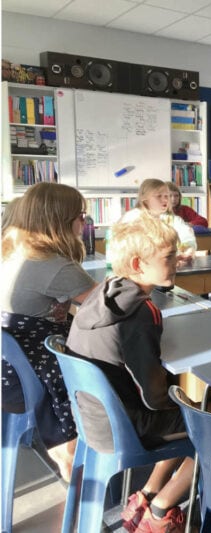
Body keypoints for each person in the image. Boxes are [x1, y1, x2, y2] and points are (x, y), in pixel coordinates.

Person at [66, 215, 195, 533]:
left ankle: (147, 494)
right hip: (122, 426)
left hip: (91, 418)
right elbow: (153, 396)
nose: (177, 259)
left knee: (188, 412)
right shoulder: (139, 313)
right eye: (168, 256)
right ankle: (162, 509)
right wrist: (185, 405)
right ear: (138, 264)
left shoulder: (102, 294)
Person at [1, 182, 97, 481]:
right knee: (110, 364)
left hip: (8, 372)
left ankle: (63, 451)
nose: (85, 221)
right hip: (29, 379)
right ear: (61, 219)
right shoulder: (54, 265)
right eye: (81, 214)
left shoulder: (13, 252)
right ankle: (74, 453)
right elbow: (104, 306)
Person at [114, 179, 197, 266]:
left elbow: (187, 237)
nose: (164, 200)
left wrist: (189, 251)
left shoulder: (173, 219)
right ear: (145, 199)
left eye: (166, 196)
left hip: (166, 267)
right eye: (159, 196)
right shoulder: (132, 218)